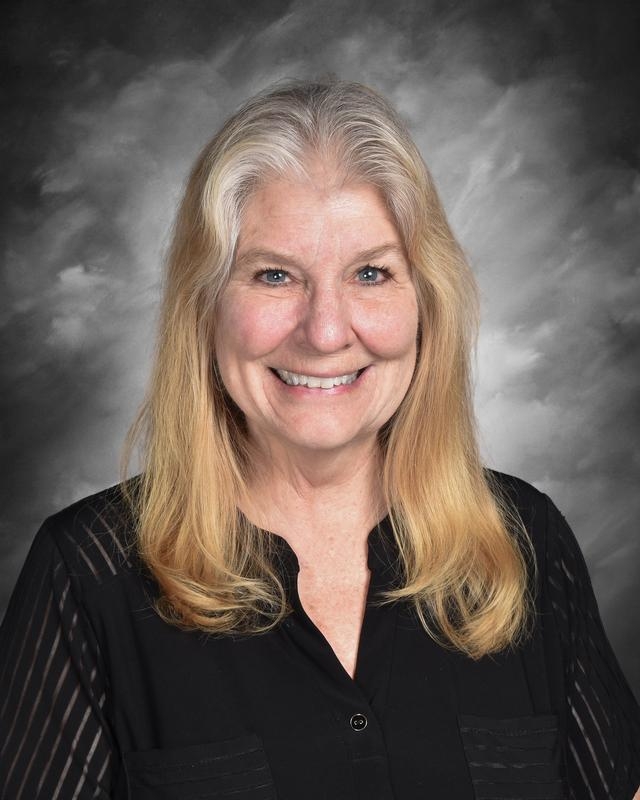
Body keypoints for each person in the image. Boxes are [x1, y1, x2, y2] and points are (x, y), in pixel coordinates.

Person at [0, 79, 638, 800]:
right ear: (205, 308)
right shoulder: (86, 576)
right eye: (275, 276)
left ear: (426, 304)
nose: (327, 331)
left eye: (371, 273)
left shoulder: (526, 544)